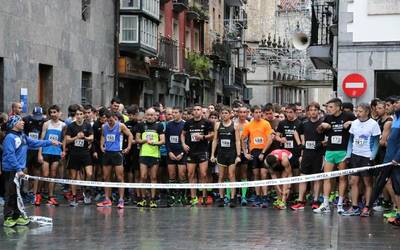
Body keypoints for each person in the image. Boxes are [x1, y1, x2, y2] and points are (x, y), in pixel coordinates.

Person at [2, 115, 60, 227]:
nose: (23, 122)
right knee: (10, 194)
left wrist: (50, 142)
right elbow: (10, 155)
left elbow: (34, 143)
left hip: (18, 171)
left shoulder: (22, 135)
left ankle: (17, 216)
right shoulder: (10, 137)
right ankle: (8, 217)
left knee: (18, 194)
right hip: (11, 171)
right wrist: (18, 169)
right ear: (14, 124)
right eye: (20, 121)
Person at [313, 98, 356, 214]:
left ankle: (340, 204)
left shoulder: (349, 115)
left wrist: (352, 123)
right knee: (327, 177)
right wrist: (322, 126)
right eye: (327, 107)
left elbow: (360, 126)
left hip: (343, 151)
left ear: (338, 107)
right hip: (330, 150)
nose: (328, 109)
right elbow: (318, 131)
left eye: (331, 107)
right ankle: (325, 204)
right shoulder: (327, 117)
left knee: (342, 178)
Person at [342, 103, 380, 217]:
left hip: (367, 156)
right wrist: (348, 154)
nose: (357, 113)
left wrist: (372, 156)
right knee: (353, 181)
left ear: (367, 112)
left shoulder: (373, 124)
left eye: (360, 111)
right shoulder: (354, 123)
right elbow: (351, 140)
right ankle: (354, 207)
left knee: (367, 182)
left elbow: (376, 142)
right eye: (356, 111)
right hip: (355, 155)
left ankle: (367, 207)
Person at [291, 102, 325, 210]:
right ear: (308, 112)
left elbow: (327, 138)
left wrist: (321, 144)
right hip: (306, 154)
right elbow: (295, 132)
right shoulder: (304, 123)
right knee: (303, 176)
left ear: (318, 111)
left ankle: (315, 200)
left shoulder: (322, 123)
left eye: (315, 110)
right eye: (311, 110)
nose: (313, 112)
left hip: (318, 154)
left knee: (317, 178)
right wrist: (300, 144)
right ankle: (301, 201)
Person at [96, 111, 133, 209]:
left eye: (111, 120)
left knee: (119, 177)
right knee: (106, 177)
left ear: (114, 118)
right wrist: (101, 145)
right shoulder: (104, 126)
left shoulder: (120, 126)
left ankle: (121, 200)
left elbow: (130, 135)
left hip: (117, 153)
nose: (110, 122)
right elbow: (103, 136)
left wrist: (128, 147)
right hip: (107, 153)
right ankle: (107, 199)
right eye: (108, 121)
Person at [181, 104, 214, 206]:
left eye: (198, 110)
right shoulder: (188, 122)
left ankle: (204, 197)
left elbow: (213, 135)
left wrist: (203, 137)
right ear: (192, 112)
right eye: (194, 110)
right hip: (191, 151)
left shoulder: (207, 122)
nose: (196, 111)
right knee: (191, 174)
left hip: (202, 151)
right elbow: (182, 134)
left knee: (203, 174)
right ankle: (193, 197)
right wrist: (183, 144)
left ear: (201, 111)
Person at [241, 105, 274, 208]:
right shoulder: (249, 125)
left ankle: (264, 197)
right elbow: (243, 138)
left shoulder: (266, 123)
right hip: (253, 152)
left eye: (260, 112)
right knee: (256, 175)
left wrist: (263, 152)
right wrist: (245, 152)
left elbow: (270, 139)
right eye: (256, 112)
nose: (258, 114)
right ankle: (257, 197)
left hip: (264, 151)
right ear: (252, 113)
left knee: (263, 174)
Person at [211, 106, 241, 208]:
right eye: (222, 113)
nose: (224, 115)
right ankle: (221, 197)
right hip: (221, 154)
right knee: (221, 176)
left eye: (226, 113)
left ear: (230, 114)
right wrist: (212, 154)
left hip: (231, 153)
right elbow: (215, 140)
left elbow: (237, 141)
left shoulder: (235, 126)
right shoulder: (217, 125)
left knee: (231, 175)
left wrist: (238, 155)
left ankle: (232, 198)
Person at [37, 105, 66, 206]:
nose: (53, 114)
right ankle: (38, 195)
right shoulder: (46, 124)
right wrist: (39, 154)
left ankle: (51, 196)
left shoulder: (63, 125)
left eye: (54, 112)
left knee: (53, 175)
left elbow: (63, 139)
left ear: (58, 113)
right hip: (45, 152)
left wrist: (63, 150)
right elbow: (41, 139)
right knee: (45, 174)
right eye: (51, 112)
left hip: (56, 153)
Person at [65, 107, 94, 206]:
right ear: (75, 116)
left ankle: (87, 191)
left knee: (89, 173)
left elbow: (92, 138)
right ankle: (73, 197)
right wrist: (76, 137)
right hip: (74, 154)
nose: (79, 116)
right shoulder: (71, 126)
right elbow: (67, 140)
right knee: (73, 177)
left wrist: (85, 137)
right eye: (77, 114)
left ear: (83, 115)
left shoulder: (87, 125)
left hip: (85, 153)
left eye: (80, 114)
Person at [136, 108, 165, 208]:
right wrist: (144, 141)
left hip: (154, 155)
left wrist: (154, 143)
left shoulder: (159, 125)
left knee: (153, 177)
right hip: (143, 154)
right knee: (143, 176)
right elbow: (137, 139)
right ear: (145, 115)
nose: (150, 117)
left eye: (152, 115)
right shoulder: (141, 125)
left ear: (155, 116)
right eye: (148, 115)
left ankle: (153, 199)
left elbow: (162, 141)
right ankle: (142, 199)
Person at [23, 107, 46, 205]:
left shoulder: (44, 121)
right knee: (25, 170)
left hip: (37, 150)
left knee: (37, 171)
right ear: (32, 114)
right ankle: (25, 191)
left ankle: (35, 193)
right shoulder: (26, 120)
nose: (37, 118)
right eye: (36, 116)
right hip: (27, 149)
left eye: (39, 117)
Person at [165, 107, 187, 206]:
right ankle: (172, 197)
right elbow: (166, 140)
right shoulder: (169, 124)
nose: (173, 114)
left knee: (182, 175)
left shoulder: (185, 124)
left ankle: (183, 196)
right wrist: (169, 152)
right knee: (172, 175)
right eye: (172, 112)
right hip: (171, 153)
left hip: (182, 153)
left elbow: (187, 141)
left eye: (176, 112)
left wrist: (182, 153)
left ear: (181, 113)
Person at [235, 106, 250, 206]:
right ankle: (233, 195)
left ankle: (244, 195)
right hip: (234, 151)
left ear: (247, 113)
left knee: (244, 173)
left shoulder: (249, 124)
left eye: (244, 112)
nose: (242, 114)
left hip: (246, 151)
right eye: (240, 112)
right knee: (233, 174)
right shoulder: (234, 124)